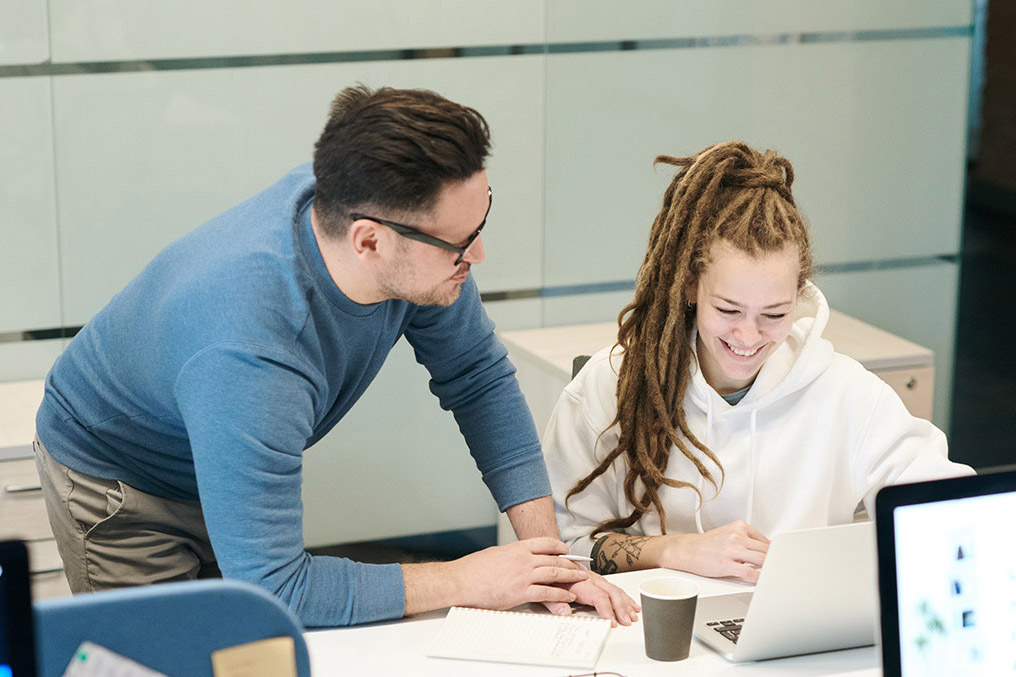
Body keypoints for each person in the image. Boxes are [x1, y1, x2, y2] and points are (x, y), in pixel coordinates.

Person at [33, 84, 638, 627]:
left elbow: (476, 378)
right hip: (121, 480)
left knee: (250, 653)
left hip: (217, 435)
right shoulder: (252, 349)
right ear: (369, 241)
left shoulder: (392, 226)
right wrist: (468, 579)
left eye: (480, 223)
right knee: (182, 658)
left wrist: (551, 564)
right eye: (460, 243)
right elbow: (274, 588)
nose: (477, 256)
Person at [544, 141, 973, 581]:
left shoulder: (846, 394)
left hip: (798, 636)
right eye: (728, 310)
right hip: (647, 635)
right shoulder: (609, 386)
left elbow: (950, 512)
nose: (748, 337)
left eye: (774, 314)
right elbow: (565, 546)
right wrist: (679, 551)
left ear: (799, 296)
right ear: (690, 286)